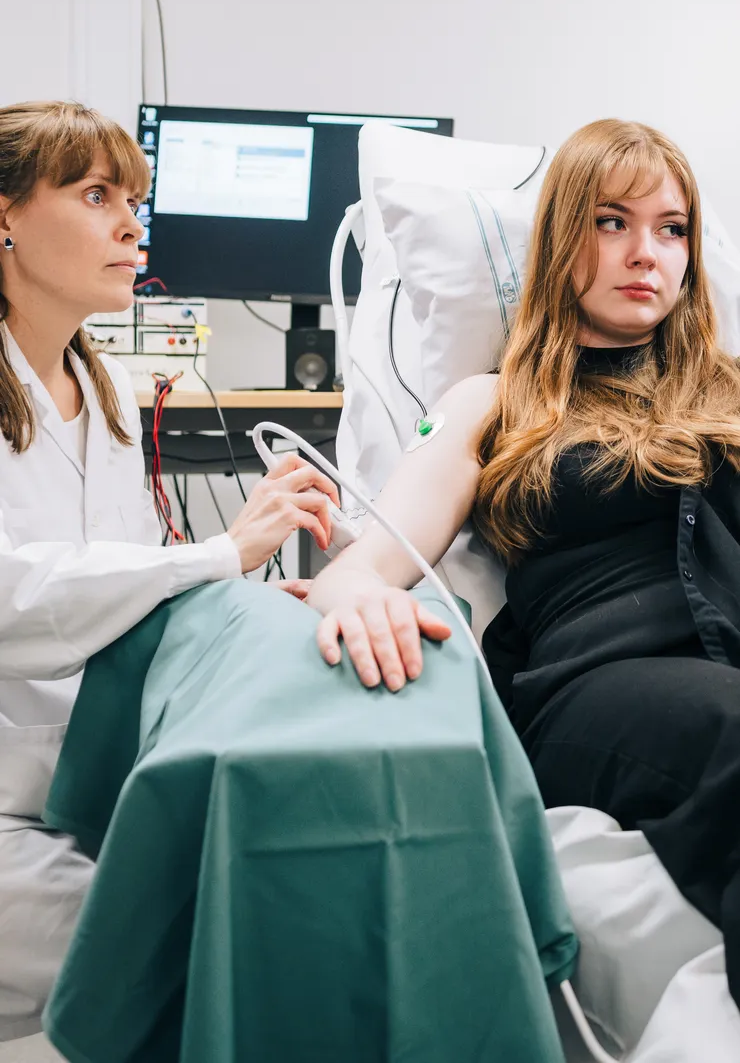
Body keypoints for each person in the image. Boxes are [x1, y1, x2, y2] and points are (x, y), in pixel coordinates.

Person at [307, 117, 740, 1011]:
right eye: (611, 221)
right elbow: (371, 561)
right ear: (561, 239)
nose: (644, 251)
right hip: (602, 681)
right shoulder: (496, 401)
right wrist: (356, 596)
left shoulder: (729, 389)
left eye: (671, 227)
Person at [0, 100, 338, 1040]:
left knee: (275, 896)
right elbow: (16, 595)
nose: (130, 224)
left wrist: (251, 606)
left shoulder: (96, 391)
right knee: (199, 955)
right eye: (96, 193)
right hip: (11, 797)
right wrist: (224, 551)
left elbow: (134, 582)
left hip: (83, 775)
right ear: (5, 216)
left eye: (136, 200)